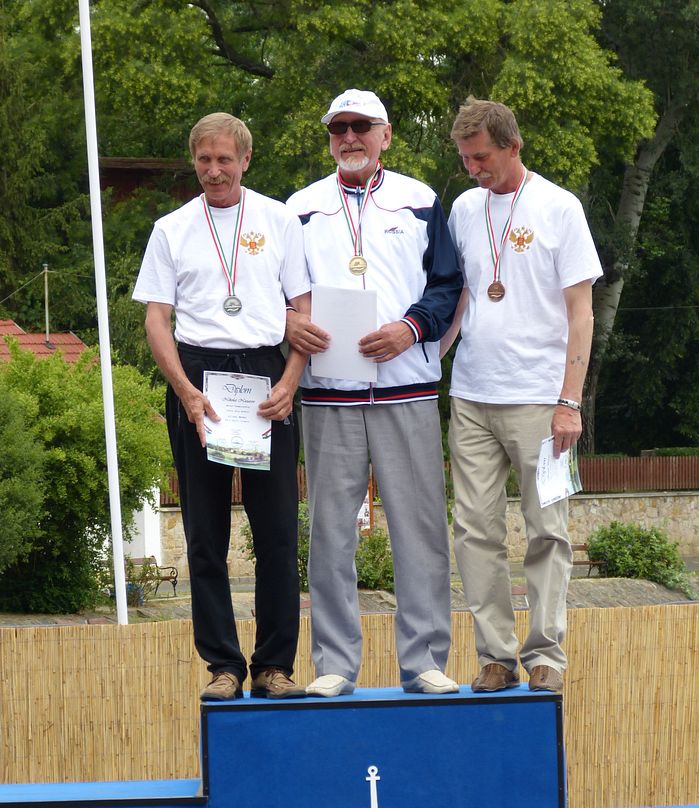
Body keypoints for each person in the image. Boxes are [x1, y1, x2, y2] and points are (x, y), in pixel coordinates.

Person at [284, 89, 464, 696]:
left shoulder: (420, 200)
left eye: (362, 126)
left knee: (420, 528)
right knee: (330, 533)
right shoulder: (300, 208)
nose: (350, 137)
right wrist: (289, 322)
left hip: (406, 385)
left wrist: (409, 328)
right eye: (339, 128)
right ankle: (335, 664)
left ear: (386, 134)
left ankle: (424, 661)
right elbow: (278, 288)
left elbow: (448, 285)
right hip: (328, 389)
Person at [132, 112, 311, 701]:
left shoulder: (279, 220)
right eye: (204, 159)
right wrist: (185, 390)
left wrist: (290, 381)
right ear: (195, 161)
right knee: (205, 534)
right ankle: (223, 667)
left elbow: (303, 311)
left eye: (224, 159)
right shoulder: (171, 229)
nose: (214, 170)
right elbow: (157, 319)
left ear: (245, 160)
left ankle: (274, 666)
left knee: (277, 531)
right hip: (198, 381)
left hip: (264, 376)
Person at [443, 97, 603, 694]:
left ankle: (546, 655)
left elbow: (581, 312)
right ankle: (495, 656)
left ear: (513, 146)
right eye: (465, 159)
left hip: (541, 399)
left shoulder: (560, 207)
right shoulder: (464, 208)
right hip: (472, 395)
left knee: (547, 529)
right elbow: (460, 297)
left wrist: (571, 400)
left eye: (481, 157)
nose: (472, 169)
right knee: (474, 530)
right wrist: (428, 363)